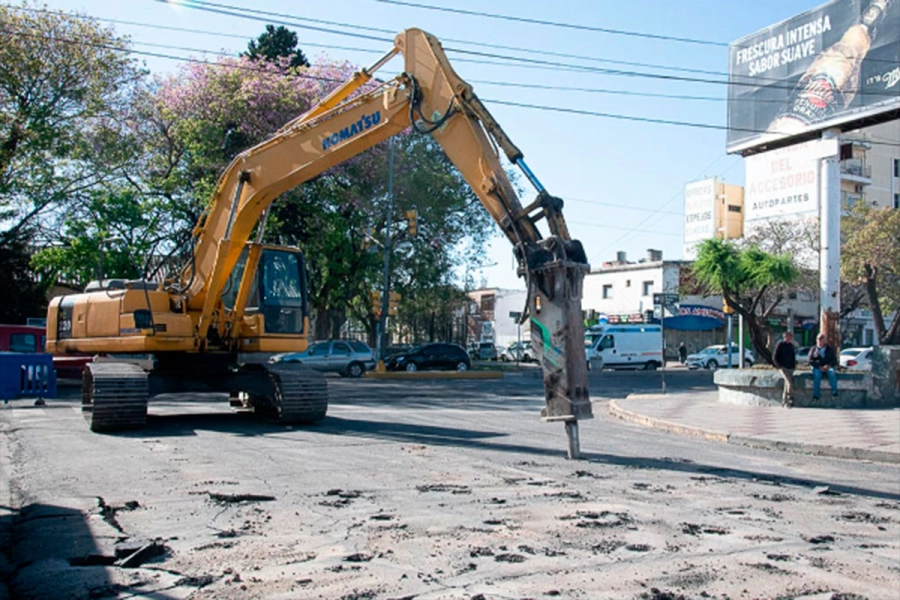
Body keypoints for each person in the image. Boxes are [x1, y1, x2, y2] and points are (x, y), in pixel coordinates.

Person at [808, 332, 839, 402]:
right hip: (817, 367)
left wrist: (829, 365)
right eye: (818, 338)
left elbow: (834, 360)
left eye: (821, 339)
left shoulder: (829, 349)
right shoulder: (813, 349)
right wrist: (819, 367)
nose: (819, 340)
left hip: (828, 366)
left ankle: (835, 392)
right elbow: (810, 360)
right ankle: (816, 396)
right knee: (817, 375)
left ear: (825, 340)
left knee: (832, 373)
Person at [772, 331, 797, 407]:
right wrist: (779, 366)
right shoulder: (780, 344)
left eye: (790, 337)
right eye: (787, 337)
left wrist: (794, 365)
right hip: (783, 367)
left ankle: (784, 400)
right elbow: (775, 356)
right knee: (788, 382)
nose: (789, 338)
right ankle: (790, 397)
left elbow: (793, 356)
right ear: (785, 337)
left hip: (790, 367)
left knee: (786, 384)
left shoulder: (791, 346)